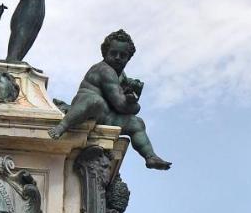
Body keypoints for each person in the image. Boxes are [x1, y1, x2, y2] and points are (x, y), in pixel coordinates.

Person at [50, 30, 171, 169]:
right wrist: (134, 105)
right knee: (95, 101)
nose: (118, 58)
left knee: (137, 123)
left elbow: (123, 101)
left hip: (105, 114)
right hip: (87, 107)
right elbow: (120, 105)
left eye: (123, 55)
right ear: (105, 53)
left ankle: (150, 157)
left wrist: (132, 96)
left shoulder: (121, 75)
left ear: (128, 58)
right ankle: (62, 126)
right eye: (113, 53)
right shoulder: (105, 70)